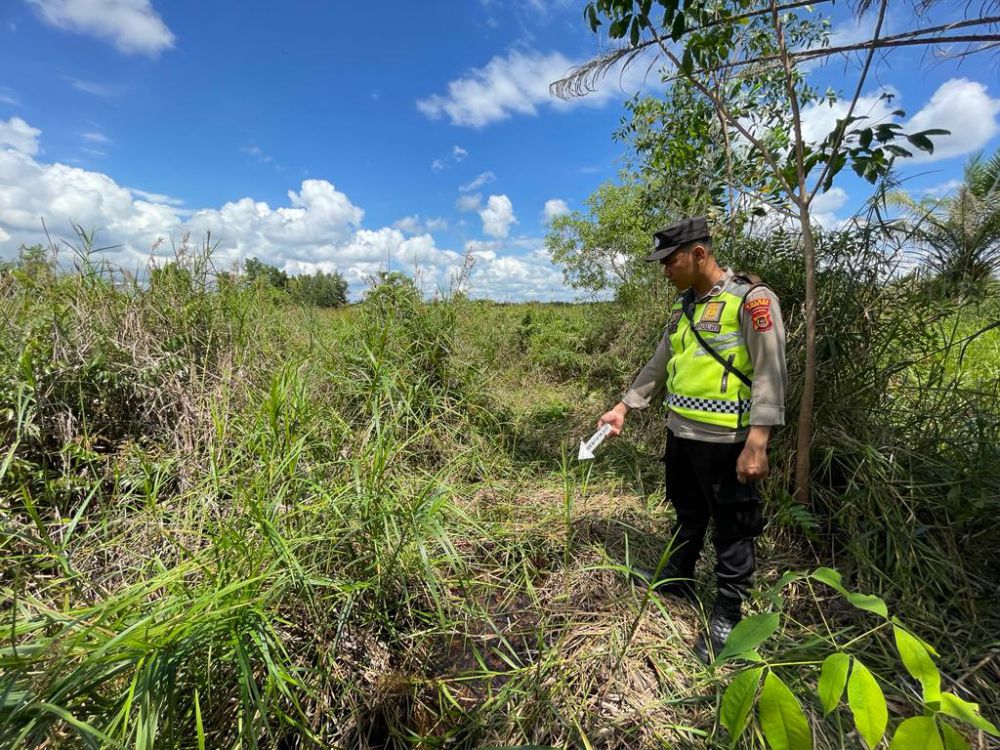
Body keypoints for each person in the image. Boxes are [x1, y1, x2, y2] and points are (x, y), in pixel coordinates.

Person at [598, 216, 787, 662]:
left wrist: (758, 440)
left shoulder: (751, 301)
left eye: (670, 261)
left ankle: (727, 615)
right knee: (687, 511)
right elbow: (658, 365)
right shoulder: (686, 309)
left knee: (733, 528)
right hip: (680, 434)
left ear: (698, 254)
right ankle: (679, 575)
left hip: (728, 442)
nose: (665, 270)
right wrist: (624, 407)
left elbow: (770, 370)